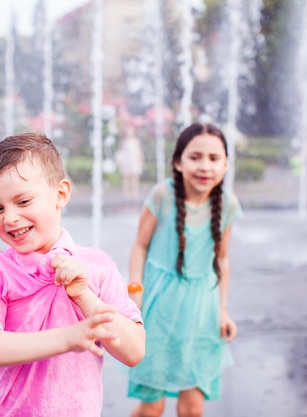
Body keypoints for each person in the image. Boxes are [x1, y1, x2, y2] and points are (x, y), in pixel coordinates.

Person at [0, 132, 146, 417]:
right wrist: (69, 337)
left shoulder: (96, 266)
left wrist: (85, 296)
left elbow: (133, 351)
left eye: (23, 202)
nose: (9, 218)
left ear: (60, 194)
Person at [126, 122, 242, 417]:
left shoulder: (227, 205)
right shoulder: (163, 195)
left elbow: (222, 261)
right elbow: (139, 246)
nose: (205, 166)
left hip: (201, 313)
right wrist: (134, 291)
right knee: (152, 408)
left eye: (214, 158)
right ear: (178, 162)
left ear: (226, 164)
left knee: (192, 409)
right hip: (158, 309)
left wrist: (222, 310)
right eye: (195, 157)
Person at [116, 125, 145, 199]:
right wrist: (120, 161)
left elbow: (139, 151)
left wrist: (141, 159)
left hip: (134, 161)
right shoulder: (124, 141)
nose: (130, 132)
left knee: (135, 177)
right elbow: (120, 151)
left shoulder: (136, 141)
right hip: (127, 161)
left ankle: (135, 192)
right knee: (126, 177)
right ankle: (126, 193)